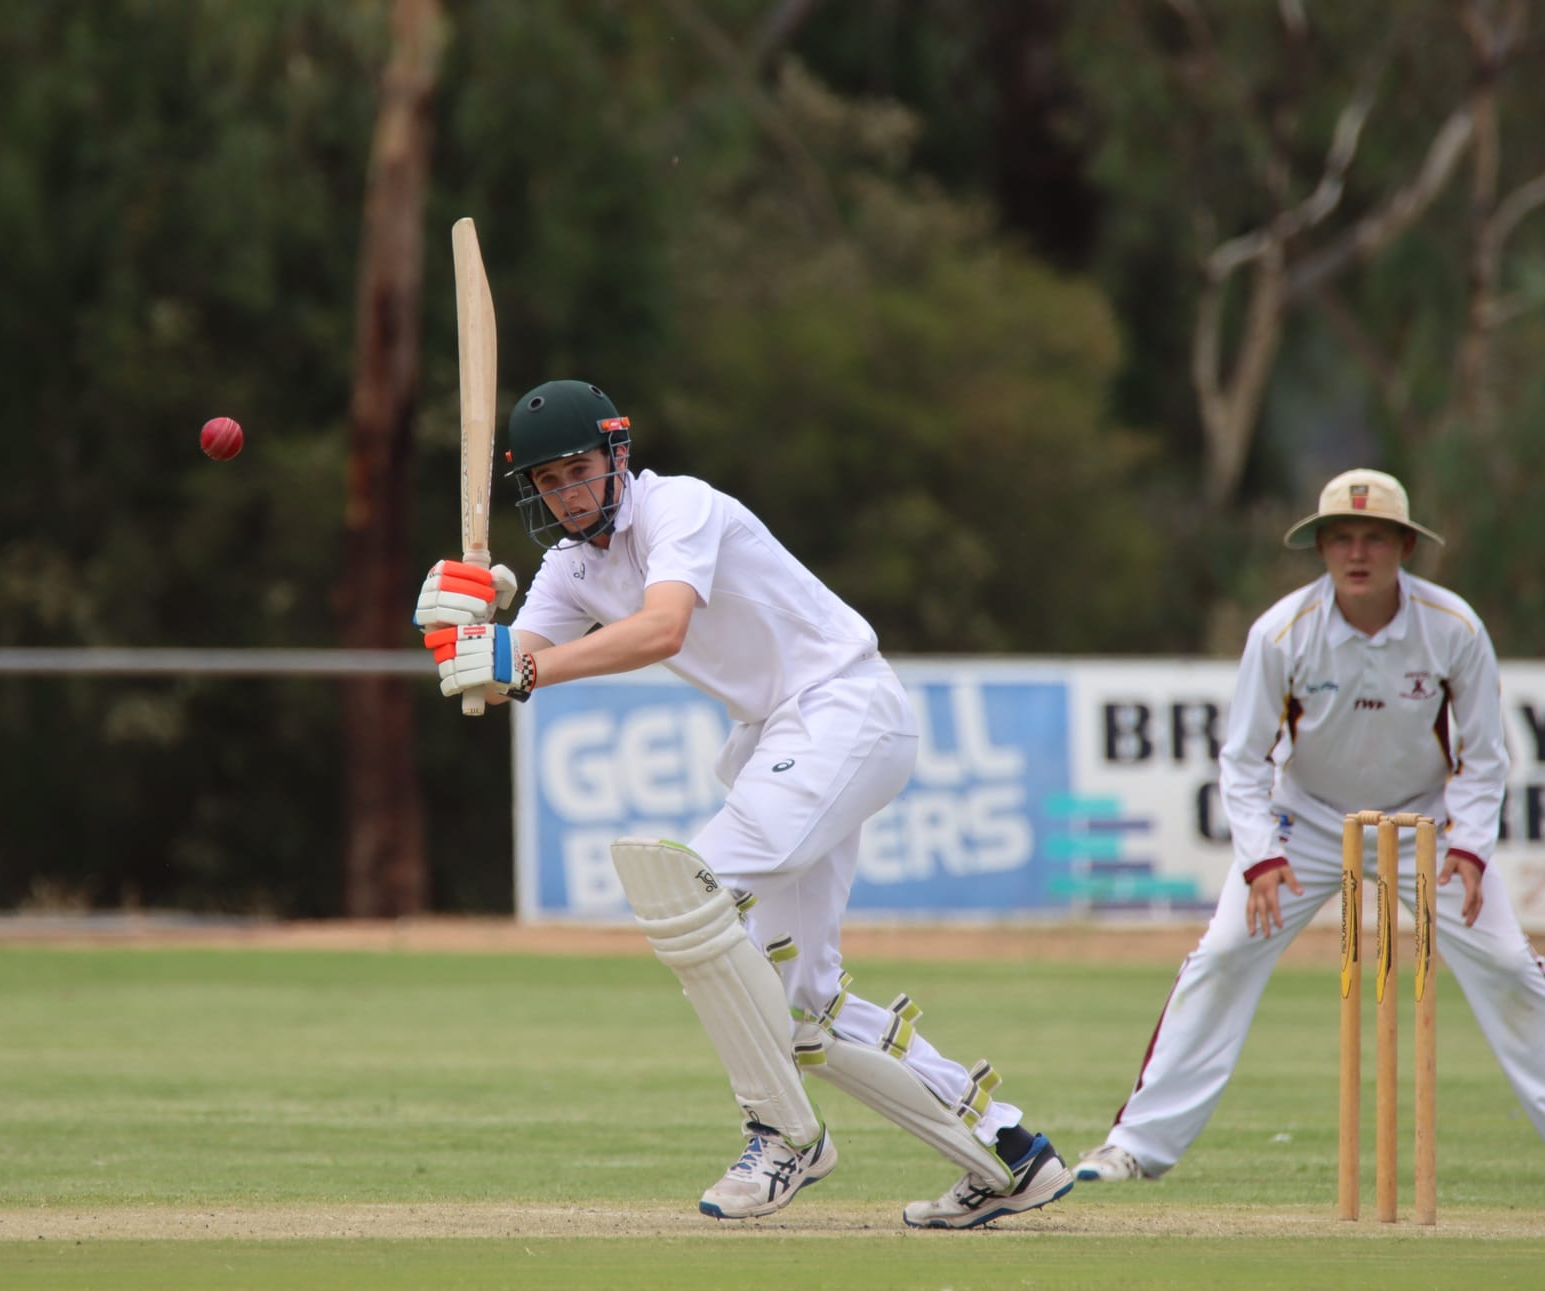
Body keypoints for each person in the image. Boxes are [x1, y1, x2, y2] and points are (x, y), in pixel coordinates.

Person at [413, 379, 1074, 1227]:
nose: (566, 493)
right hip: (784, 734)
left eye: (578, 469)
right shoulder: (570, 567)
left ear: (617, 454)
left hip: (843, 706)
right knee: (804, 1004)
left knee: (694, 889)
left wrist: (517, 660)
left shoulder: (678, 507)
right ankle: (1012, 1155)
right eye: (546, 482)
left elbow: (660, 630)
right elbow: (493, 677)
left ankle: (783, 1133)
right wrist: (457, 627)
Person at [1070, 468, 1545, 1190]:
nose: (1358, 554)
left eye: (1376, 538)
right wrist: (1261, 857)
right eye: (1342, 538)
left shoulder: (1454, 629)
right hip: (1309, 820)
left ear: (1405, 548)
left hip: (1425, 820)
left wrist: (1472, 846)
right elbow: (1241, 759)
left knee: (1510, 963)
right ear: (1322, 547)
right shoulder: (1281, 633)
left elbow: (1485, 757)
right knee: (1224, 951)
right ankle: (1133, 1145)